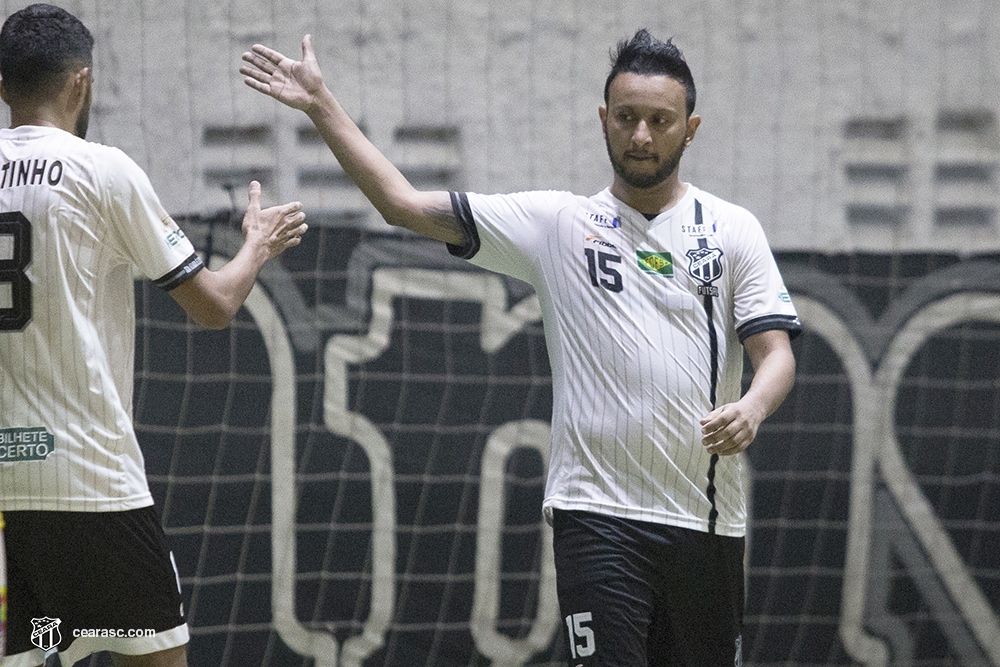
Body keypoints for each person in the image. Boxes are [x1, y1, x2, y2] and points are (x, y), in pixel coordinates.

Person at [242, 27, 800, 666]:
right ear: (603, 121)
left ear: (690, 129)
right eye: (627, 118)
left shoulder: (732, 231)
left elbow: (776, 354)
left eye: (660, 120)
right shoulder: (557, 225)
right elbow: (400, 204)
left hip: (706, 524)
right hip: (597, 519)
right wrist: (320, 104)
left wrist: (753, 408)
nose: (642, 135)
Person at [0, 5, 307, 667]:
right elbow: (216, 306)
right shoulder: (101, 171)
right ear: (82, 82)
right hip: (91, 481)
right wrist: (256, 245)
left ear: (2, 87)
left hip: (8, 497)